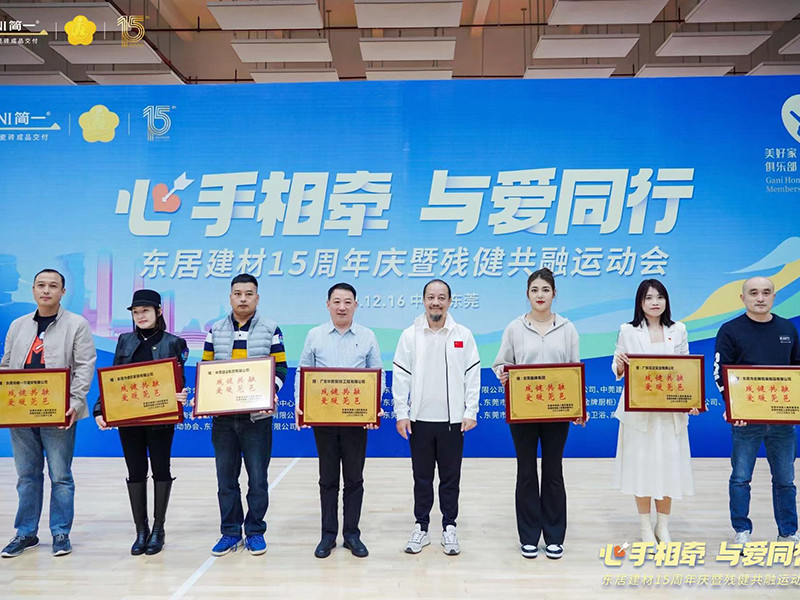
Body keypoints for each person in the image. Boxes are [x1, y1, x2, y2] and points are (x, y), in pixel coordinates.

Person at [0, 269, 96, 558]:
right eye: (41, 285)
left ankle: (60, 532)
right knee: (27, 476)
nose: (46, 290)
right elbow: (6, 364)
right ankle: (26, 532)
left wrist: (75, 403)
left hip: (59, 412)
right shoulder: (18, 325)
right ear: (32, 289)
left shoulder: (76, 324)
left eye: (53, 286)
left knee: (60, 475)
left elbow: (85, 366)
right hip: (21, 411)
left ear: (63, 292)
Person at [492, 267, 586, 560]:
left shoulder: (567, 328)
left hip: (557, 411)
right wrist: (504, 374)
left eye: (545, 290)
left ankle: (555, 536)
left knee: (553, 470)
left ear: (554, 294)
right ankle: (529, 536)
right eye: (535, 290)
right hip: (523, 411)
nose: (540, 295)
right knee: (526, 470)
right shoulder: (514, 328)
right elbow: (501, 363)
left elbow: (574, 368)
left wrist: (578, 406)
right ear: (527, 294)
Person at [93, 289, 189, 556]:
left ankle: (158, 529)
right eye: (136, 312)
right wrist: (100, 409)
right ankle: (141, 530)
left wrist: (181, 394)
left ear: (159, 311)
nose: (140, 316)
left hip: (161, 418)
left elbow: (179, 379)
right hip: (129, 419)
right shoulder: (124, 340)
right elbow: (112, 379)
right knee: (135, 471)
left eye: (145, 310)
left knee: (161, 469)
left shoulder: (174, 342)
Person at [294, 283, 385, 559]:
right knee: (328, 478)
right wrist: (301, 405)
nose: (342, 307)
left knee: (354, 478)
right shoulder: (315, 335)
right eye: (336, 301)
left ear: (356, 305)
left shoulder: (367, 336)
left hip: (356, 420)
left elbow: (377, 374)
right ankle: (328, 535)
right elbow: (303, 372)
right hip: (324, 419)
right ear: (328, 305)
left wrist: (373, 408)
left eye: (347, 302)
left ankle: (352, 534)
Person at [392, 279, 480, 556]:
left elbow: (472, 375)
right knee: (422, 478)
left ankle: (449, 527)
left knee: (450, 479)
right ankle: (421, 527)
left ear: (450, 302)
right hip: (419, 421)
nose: (436, 302)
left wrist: (470, 411)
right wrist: (401, 413)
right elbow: (401, 376)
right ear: (423, 301)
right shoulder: (410, 335)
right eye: (431, 297)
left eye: (441, 297)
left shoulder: (463, 334)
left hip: (453, 422)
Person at [202, 274, 287, 557]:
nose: (243, 299)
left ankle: (254, 531)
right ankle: (229, 532)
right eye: (237, 294)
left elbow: (281, 368)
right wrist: (205, 398)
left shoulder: (271, 329)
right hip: (224, 420)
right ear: (230, 297)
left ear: (257, 298)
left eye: (248, 294)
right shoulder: (215, 330)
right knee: (226, 480)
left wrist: (271, 393)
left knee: (258, 480)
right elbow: (206, 369)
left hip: (257, 419)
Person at [715, 276, 800, 545]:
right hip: (745, 420)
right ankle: (742, 529)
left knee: (785, 479)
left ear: (774, 296)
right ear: (743, 298)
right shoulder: (730, 330)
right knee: (741, 478)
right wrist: (733, 407)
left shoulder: (788, 329)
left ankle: (788, 532)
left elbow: (796, 371)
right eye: (753, 293)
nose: (760, 298)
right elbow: (720, 373)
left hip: (782, 421)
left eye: (766, 292)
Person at [612, 279, 698, 545]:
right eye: (649, 298)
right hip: (639, 413)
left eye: (660, 297)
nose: (655, 302)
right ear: (640, 302)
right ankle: (645, 527)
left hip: (670, 412)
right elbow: (617, 368)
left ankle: (663, 526)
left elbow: (687, 369)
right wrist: (621, 364)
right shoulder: (627, 330)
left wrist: (692, 399)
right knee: (642, 468)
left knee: (669, 468)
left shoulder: (678, 329)